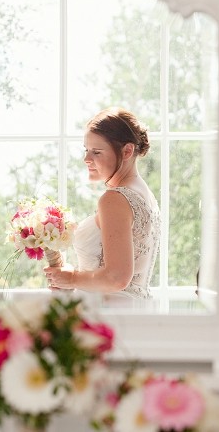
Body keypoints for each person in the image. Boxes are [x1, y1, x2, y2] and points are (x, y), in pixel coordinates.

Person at [44, 108, 161, 302]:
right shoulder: (145, 195)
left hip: (108, 313)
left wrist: (72, 278)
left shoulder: (114, 199)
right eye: (86, 150)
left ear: (127, 151)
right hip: (134, 310)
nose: (86, 159)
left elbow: (116, 278)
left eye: (96, 152)